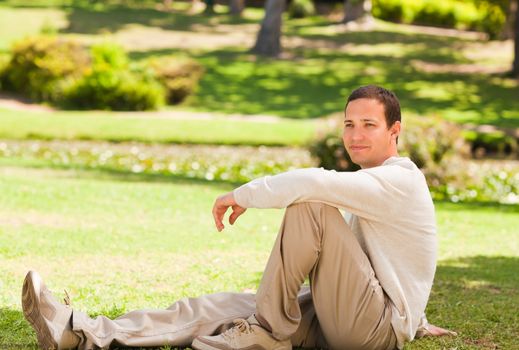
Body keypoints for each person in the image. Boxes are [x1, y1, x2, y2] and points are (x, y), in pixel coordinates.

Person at [22, 85, 456, 350]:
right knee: (213, 308)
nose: (355, 135)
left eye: (369, 125)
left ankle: (267, 330)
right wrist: (416, 320)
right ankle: (79, 331)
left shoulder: (402, 179)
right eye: (348, 124)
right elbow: (403, 257)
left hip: (367, 332)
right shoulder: (378, 182)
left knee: (313, 205)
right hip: (343, 317)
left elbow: (316, 183)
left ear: (394, 131)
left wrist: (244, 195)